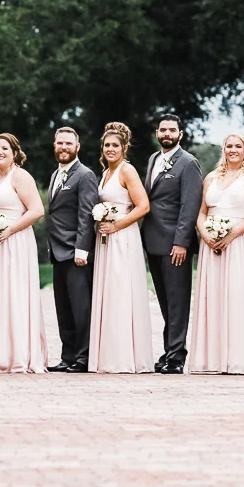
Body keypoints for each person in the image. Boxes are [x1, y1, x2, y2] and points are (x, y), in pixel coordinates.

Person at [187, 133, 244, 375]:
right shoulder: (211, 177)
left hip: (240, 242)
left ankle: (240, 358)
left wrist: (230, 235)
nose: (233, 150)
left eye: (238, 146)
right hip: (211, 243)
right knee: (213, 295)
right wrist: (205, 235)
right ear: (223, 149)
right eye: (229, 146)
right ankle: (211, 359)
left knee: (238, 294)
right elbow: (201, 213)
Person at [0, 133, 48, 373]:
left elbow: (37, 210)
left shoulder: (20, 176)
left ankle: (18, 354)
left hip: (15, 243)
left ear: (15, 153)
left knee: (14, 293)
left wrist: (9, 230)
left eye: (4, 148)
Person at [88, 122, 154, 374]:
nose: (110, 149)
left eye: (115, 145)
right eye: (107, 145)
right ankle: (108, 354)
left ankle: (125, 357)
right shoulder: (106, 172)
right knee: (109, 293)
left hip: (123, 238)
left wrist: (116, 225)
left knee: (121, 291)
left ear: (124, 148)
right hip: (106, 240)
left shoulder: (127, 170)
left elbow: (143, 206)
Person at [140, 114, 203, 375]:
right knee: (165, 301)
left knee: (178, 301)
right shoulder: (153, 159)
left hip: (175, 244)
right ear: (157, 133)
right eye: (163, 130)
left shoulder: (188, 163)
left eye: (172, 130)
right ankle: (169, 350)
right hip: (153, 240)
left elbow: (190, 205)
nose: (167, 134)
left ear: (180, 134)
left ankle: (177, 357)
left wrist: (181, 242)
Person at [44, 127, 99, 373]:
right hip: (57, 252)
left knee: (81, 308)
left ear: (77, 147)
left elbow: (86, 214)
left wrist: (82, 248)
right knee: (63, 308)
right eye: (60, 143)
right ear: (54, 145)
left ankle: (83, 357)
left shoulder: (85, 175)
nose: (63, 147)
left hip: (76, 253)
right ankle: (67, 356)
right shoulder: (55, 174)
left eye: (68, 143)